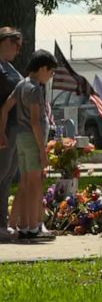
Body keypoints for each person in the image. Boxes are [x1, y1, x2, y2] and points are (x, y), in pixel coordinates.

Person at [0, 49, 57, 241]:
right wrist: (42, 150)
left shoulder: (20, 84)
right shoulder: (34, 89)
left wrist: (2, 133)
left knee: (25, 183)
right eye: (50, 72)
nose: (50, 76)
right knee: (35, 185)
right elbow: (35, 121)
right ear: (42, 68)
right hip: (32, 139)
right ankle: (33, 228)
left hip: (20, 138)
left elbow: (6, 108)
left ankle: (24, 226)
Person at [0, 27, 23, 241]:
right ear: (5, 41)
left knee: (7, 176)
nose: (18, 49)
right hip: (4, 128)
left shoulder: (9, 67)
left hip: (16, 127)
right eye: (15, 44)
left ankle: (2, 223)